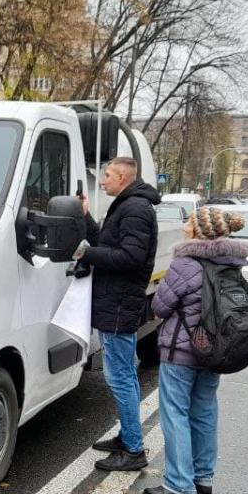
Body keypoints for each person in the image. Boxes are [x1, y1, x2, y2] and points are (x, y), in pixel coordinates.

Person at [143, 206, 248, 494]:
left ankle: (179, 483)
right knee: (204, 411)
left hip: (182, 351)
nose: (185, 226)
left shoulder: (185, 264)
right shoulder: (231, 264)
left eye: (189, 222)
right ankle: (203, 476)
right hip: (215, 350)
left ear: (199, 230)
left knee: (175, 413)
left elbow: (160, 307)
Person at [75, 156, 160, 472]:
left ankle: (134, 450)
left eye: (107, 175)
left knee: (119, 376)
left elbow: (130, 257)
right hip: (116, 301)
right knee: (124, 373)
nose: (103, 180)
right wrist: (85, 217)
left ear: (123, 177)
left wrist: (88, 254)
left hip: (120, 303)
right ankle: (128, 437)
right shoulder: (127, 205)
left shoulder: (135, 208)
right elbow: (107, 243)